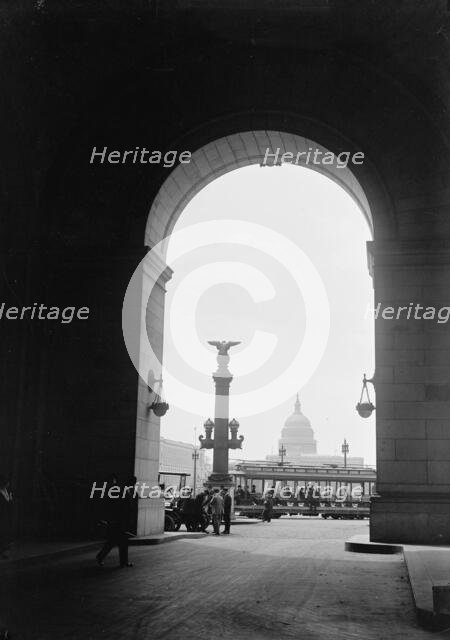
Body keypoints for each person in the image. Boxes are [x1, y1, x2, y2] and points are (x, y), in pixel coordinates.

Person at [96, 474, 133, 568]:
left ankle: (102, 557)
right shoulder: (121, 491)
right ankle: (122, 562)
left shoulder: (120, 490)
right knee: (118, 542)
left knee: (114, 542)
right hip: (118, 521)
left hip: (116, 521)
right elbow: (122, 508)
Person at [0, 476, 13, 559]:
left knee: (5, 533)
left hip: (6, 515)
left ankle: (3, 552)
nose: (8, 484)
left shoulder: (5, 491)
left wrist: (10, 499)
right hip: (1, 515)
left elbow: (8, 502)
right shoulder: (0, 491)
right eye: (7, 483)